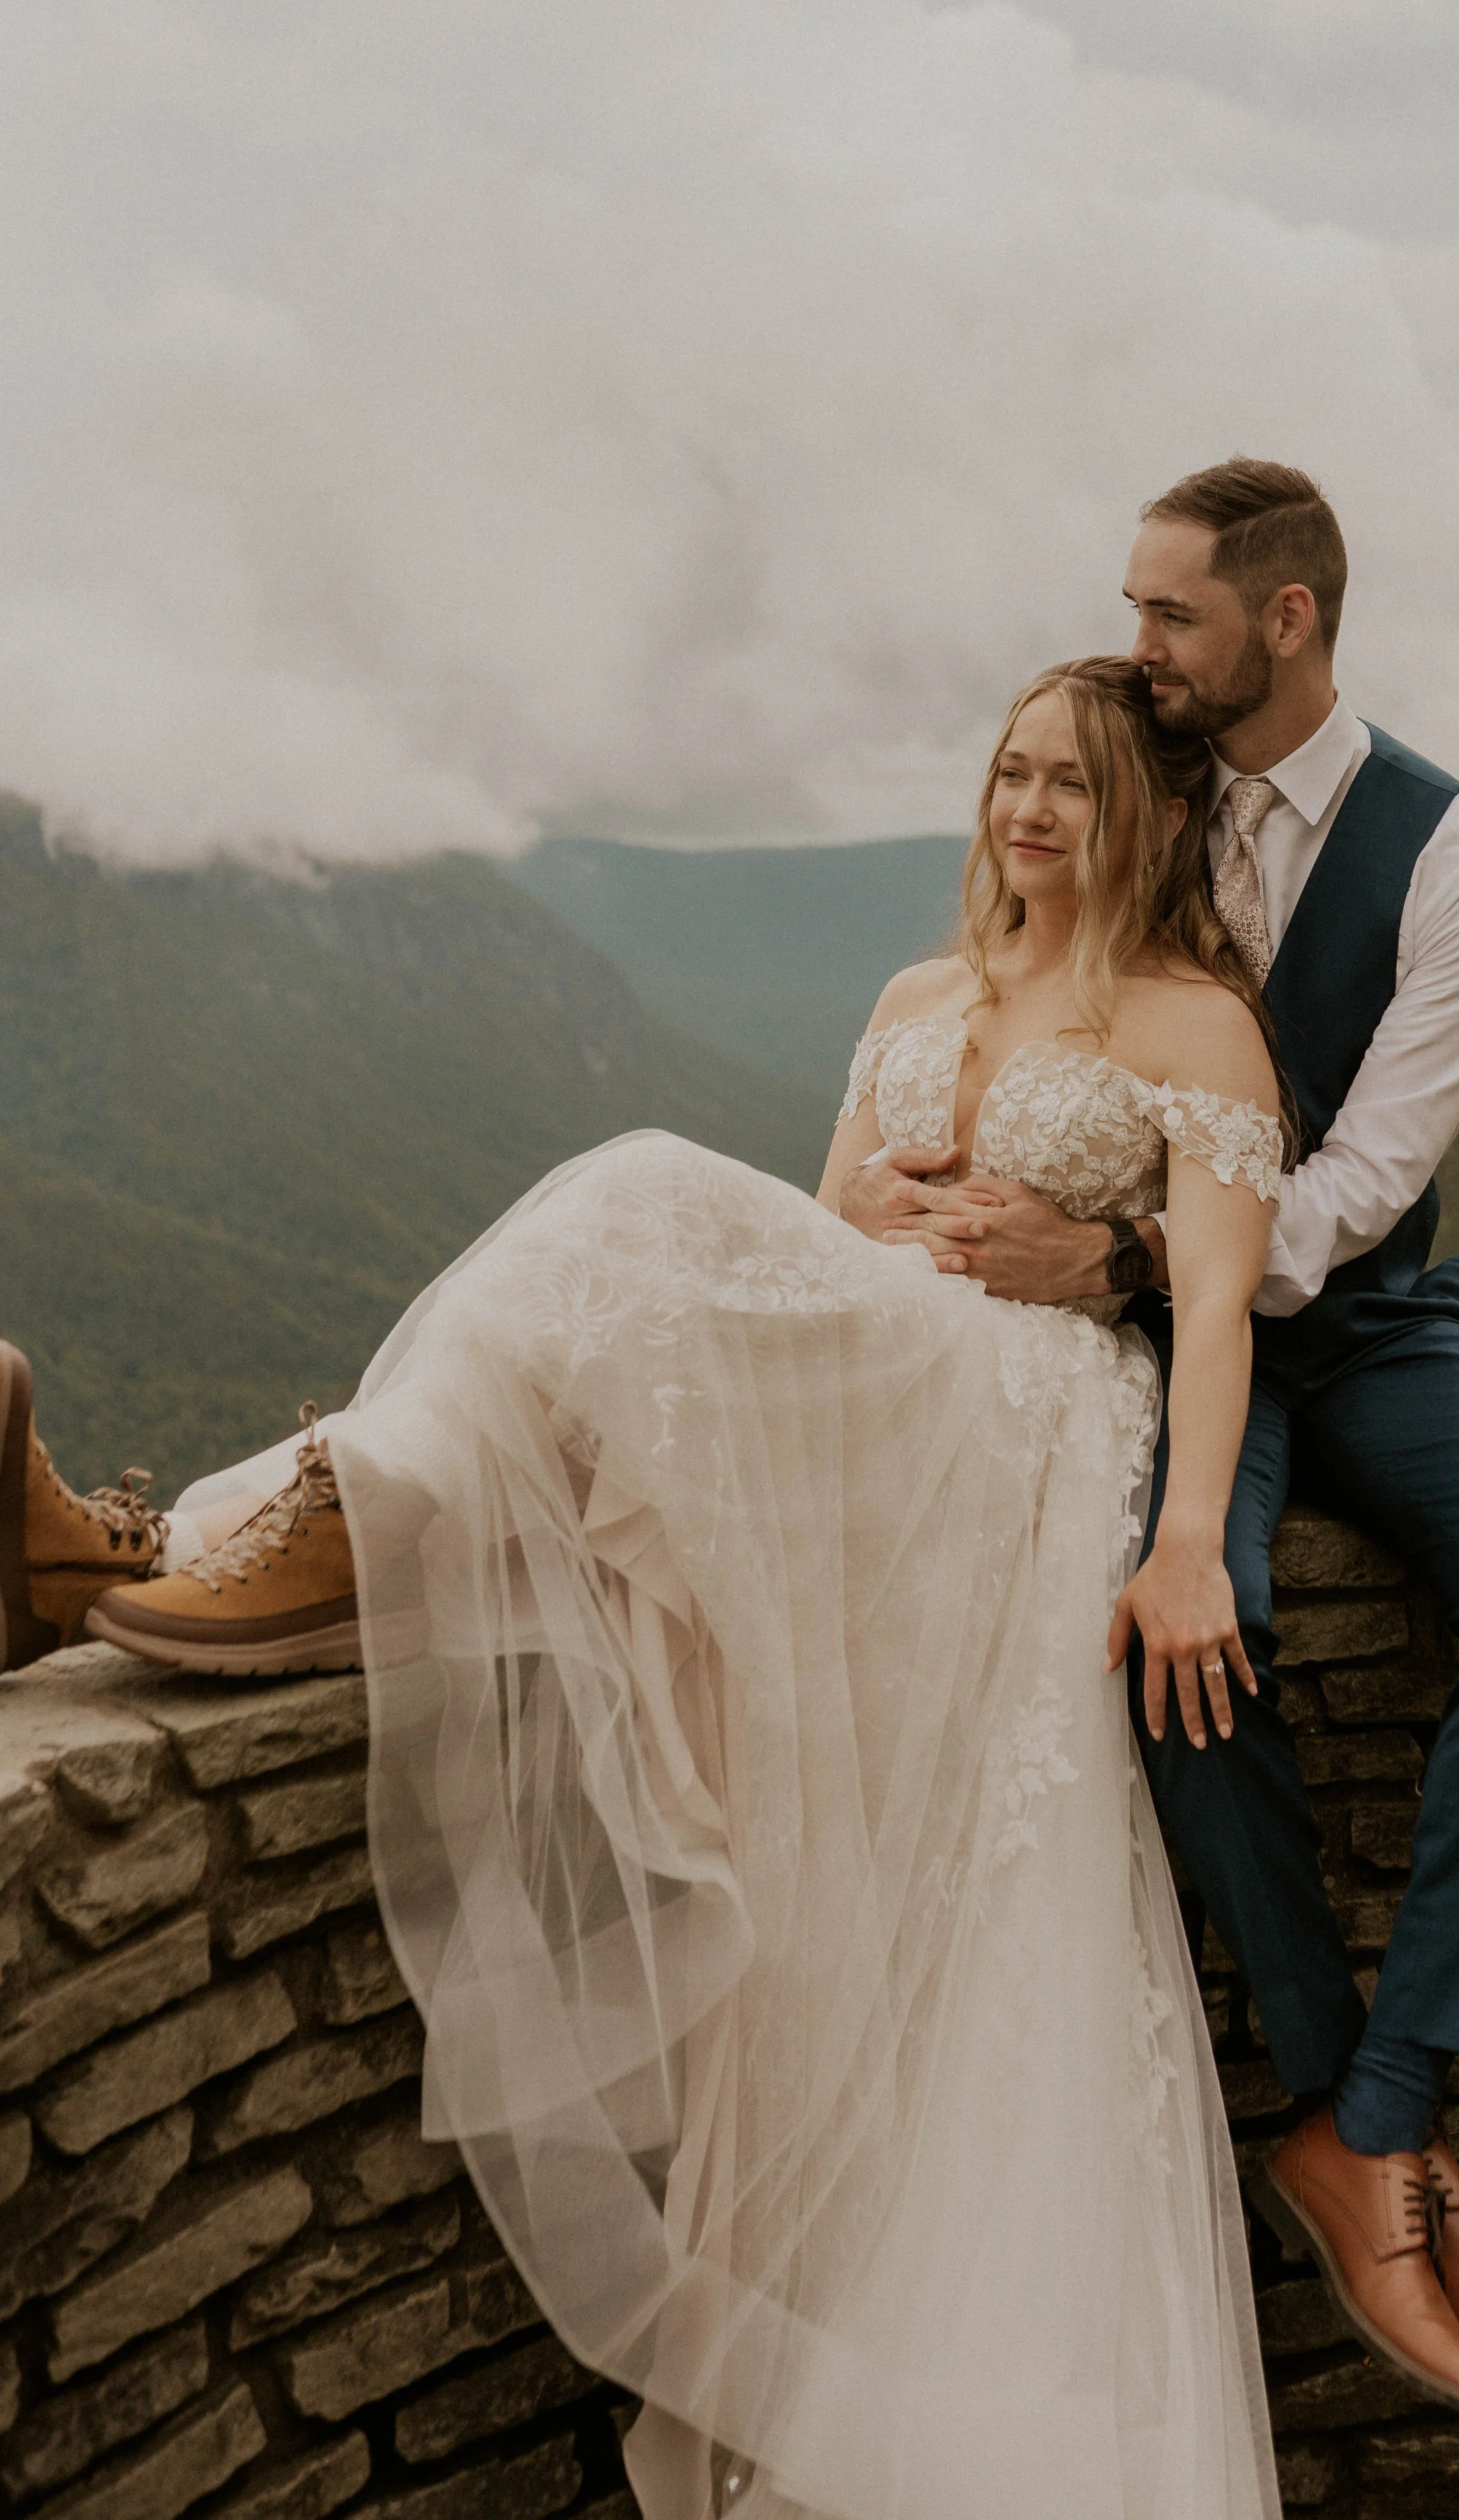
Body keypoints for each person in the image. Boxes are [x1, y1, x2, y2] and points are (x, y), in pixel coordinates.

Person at [7, 658, 1288, 2519]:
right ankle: (249, 1531)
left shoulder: (1197, 1026)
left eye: (1072, 785)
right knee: (617, 1264)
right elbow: (815, 1238)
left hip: (1028, 1422)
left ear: (1150, 814)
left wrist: (1183, 1546)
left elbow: (1222, 1302)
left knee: (623, 1195)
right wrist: (884, 1240)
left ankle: (168, 1541)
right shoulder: (916, 993)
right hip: (893, 1375)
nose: (1025, 811)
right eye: (1009, 773)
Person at [846, 459, 1459, 2417]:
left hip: (1346, 1321)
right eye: (1128, 611)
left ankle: (1379, 2107)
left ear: (1283, 620)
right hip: (1129, 1329)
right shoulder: (1138, 763)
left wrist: (1120, 1253)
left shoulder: (1458, 863)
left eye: (1169, 614)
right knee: (1180, 1629)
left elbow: (1360, 1178)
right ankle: (1329, 2088)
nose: (1138, 647)